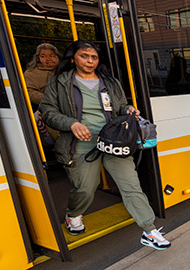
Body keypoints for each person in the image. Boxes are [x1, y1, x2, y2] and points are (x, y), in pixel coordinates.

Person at [40, 40, 170, 250]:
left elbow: (119, 106)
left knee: (131, 185)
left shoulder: (109, 81)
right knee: (85, 189)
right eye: (84, 56)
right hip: (80, 143)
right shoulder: (59, 82)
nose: (90, 61)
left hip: (113, 140)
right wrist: (71, 123)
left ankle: (149, 230)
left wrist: (128, 109)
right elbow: (48, 112)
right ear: (73, 58)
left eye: (94, 57)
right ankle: (73, 215)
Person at [24, 43, 61, 111]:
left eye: (52, 56)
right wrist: (50, 99)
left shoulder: (66, 71)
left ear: (57, 57)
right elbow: (29, 92)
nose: (48, 59)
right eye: (43, 56)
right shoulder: (31, 73)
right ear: (38, 58)